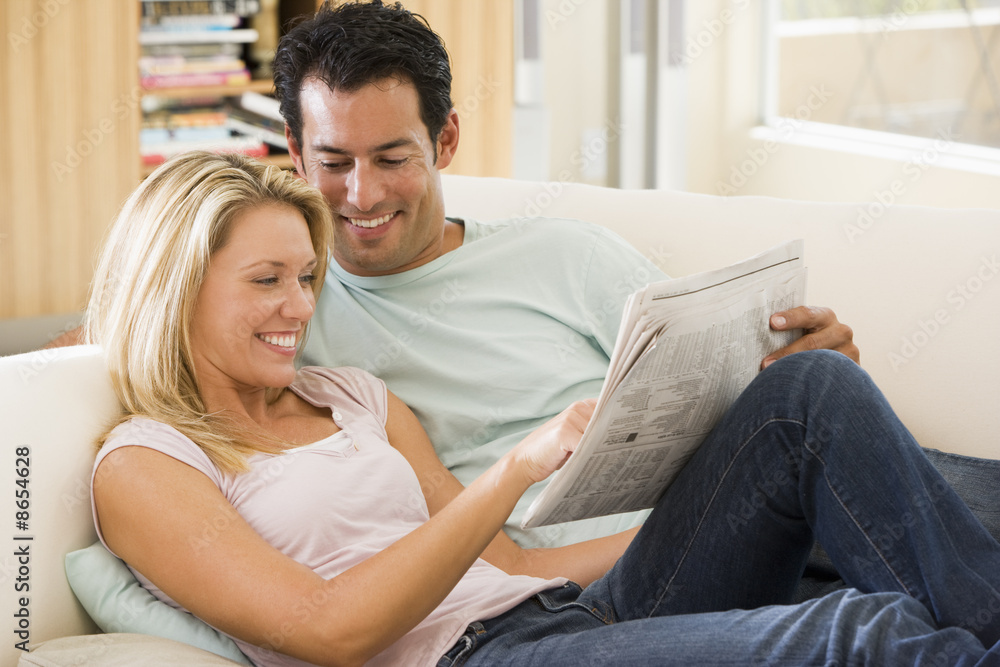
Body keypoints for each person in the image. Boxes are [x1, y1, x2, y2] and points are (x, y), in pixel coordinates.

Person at [87, 150, 1000, 667]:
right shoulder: (147, 463)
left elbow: (514, 558)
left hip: (572, 611)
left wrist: (731, 492)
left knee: (802, 393)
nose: (299, 306)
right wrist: (516, 468)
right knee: (860, 632)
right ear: (176, 287)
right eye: (267, 280)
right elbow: (329, 627)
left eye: (307, 278)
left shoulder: (353, 397)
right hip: (476, 663)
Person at [272, 0, 859, 550]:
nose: (362, 193)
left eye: (393, 159)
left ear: (445, 139)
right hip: (584, 593)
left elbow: (732, 393)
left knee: (827, 394)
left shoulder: (567, 254)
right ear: (296, 153)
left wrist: (807, 361)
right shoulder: (287, 318)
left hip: (744, 524)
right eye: (334, 162)